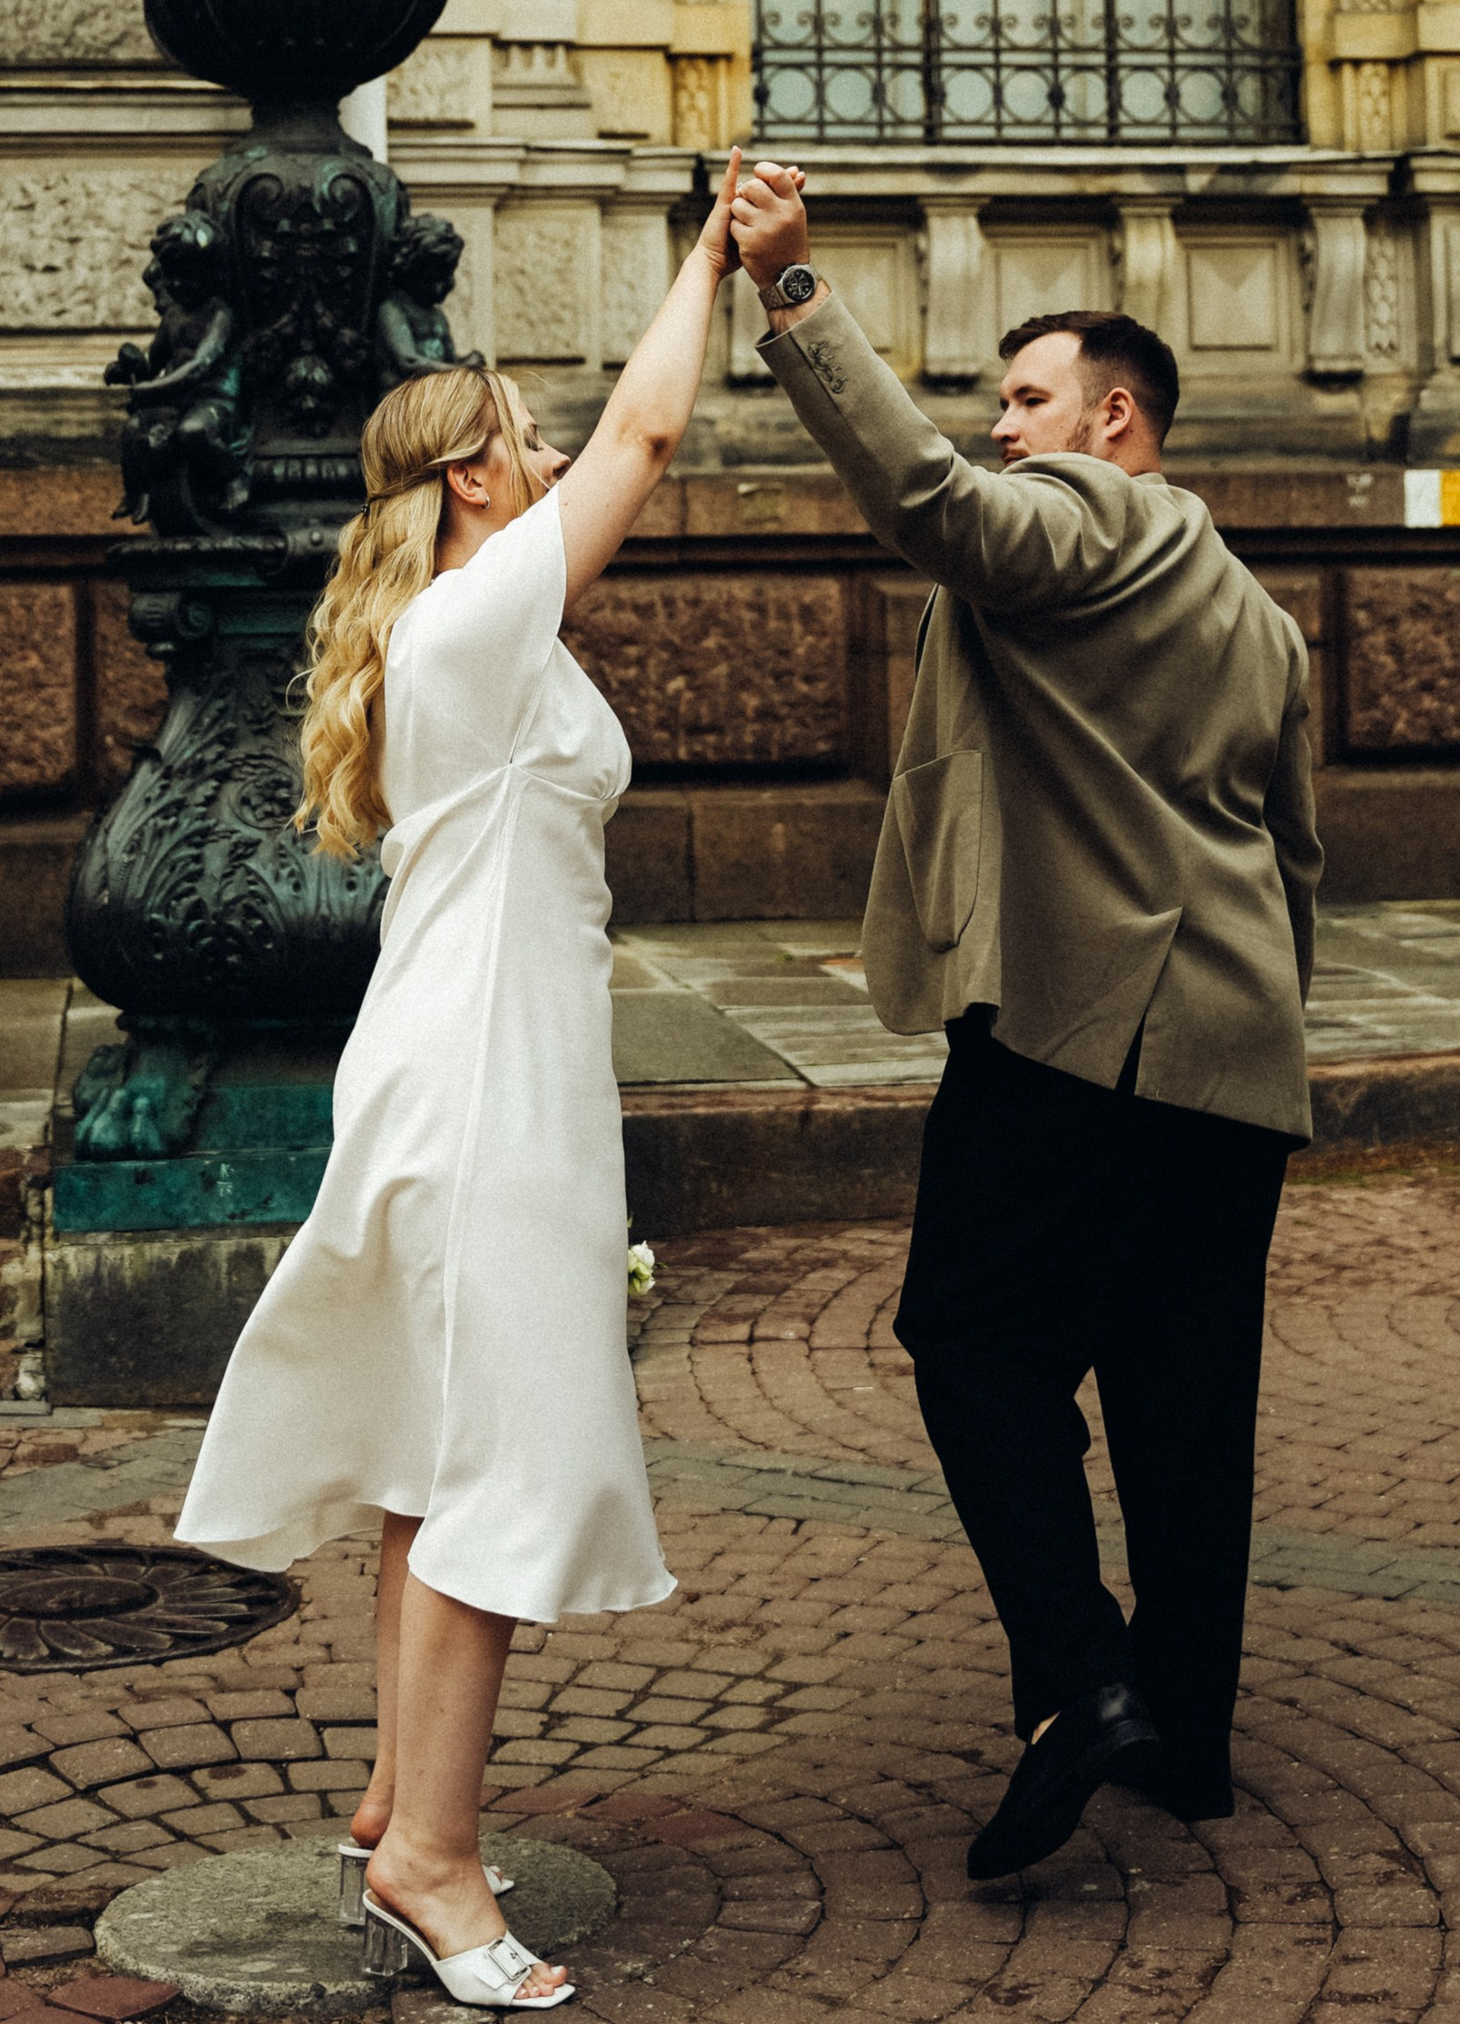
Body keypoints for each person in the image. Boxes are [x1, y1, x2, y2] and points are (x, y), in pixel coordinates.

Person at [174, 157, 744, 2011]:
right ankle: (431, 1859)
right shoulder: (484, 618)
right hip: (492, 1090)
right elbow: (654, 431)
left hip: (471, 1070)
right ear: (478, 475)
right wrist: (717, 252)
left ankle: (390, 1801)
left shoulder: (455, 633)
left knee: (442, 1462)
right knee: (495, 1466)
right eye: (529, 435)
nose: (561, 450)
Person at [727, 157, 1320, 1872]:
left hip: (1076, 1032)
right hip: (1232, 1053)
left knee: (971, 1340)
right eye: (1003, 399)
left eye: (1029, 395)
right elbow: (1297, 855)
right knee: (1184, 1400)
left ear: (1116, 416)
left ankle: (1083, 1679)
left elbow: (932, 502)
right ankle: (1188, 1740)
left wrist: (794, 294)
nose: (1005, 424)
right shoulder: (1264, 619)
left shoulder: (1088, 518)